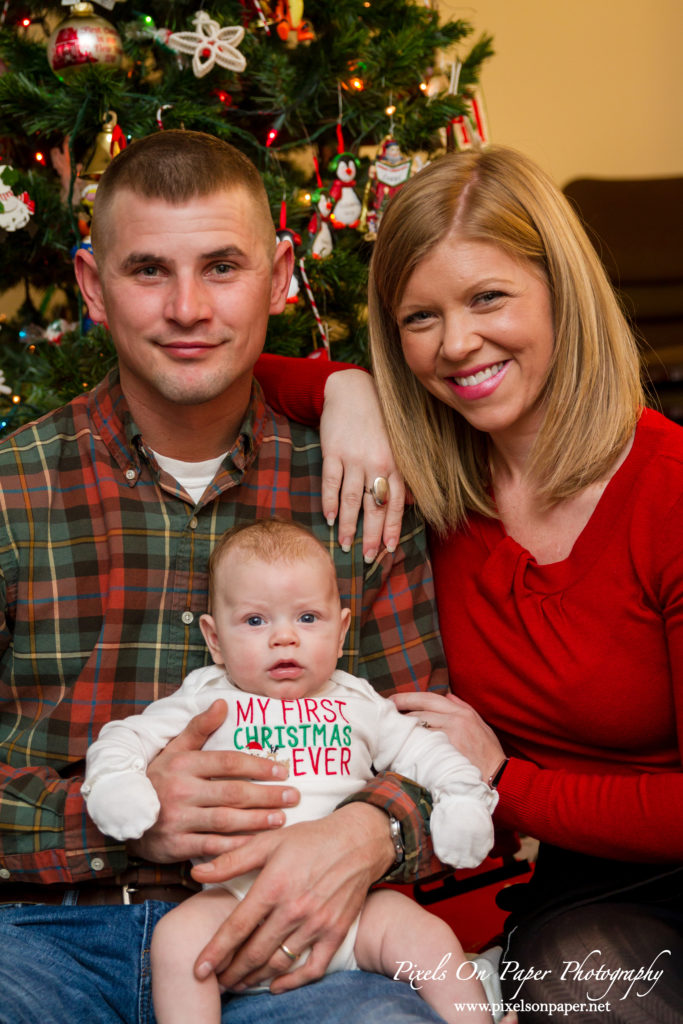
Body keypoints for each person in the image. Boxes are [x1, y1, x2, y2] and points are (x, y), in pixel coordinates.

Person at [0, 130, 452, 1024]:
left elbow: (429, 748)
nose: (186, 307)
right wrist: (110, 818)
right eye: (147, 271)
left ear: (280, 275)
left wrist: (365, 830)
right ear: (92, 287)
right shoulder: (14, 488)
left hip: (291, 942)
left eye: (221, 267)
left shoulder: (358, 485)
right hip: (37, 939)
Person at [361, 146, 683, 1022]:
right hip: (596, 891)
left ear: (558, 294)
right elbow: (234, 375)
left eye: (487, 297)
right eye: (418, 317)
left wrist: (505, 779)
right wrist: (350, 392)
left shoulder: (669, 492)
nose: (456, 342)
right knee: (580, 983)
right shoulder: (438, 495)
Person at [83, 519, 498, 1024]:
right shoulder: (207, 697)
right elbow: (126, 736)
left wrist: (462, 797)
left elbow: (427, 751)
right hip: (235, 904)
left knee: (432, 939)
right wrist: (121, 784)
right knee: (176, 944)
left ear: (341, 630)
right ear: (214, 639)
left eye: (307, 618)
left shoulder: (358, 702)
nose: (284, 638)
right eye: (256, 622)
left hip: (354, 907)